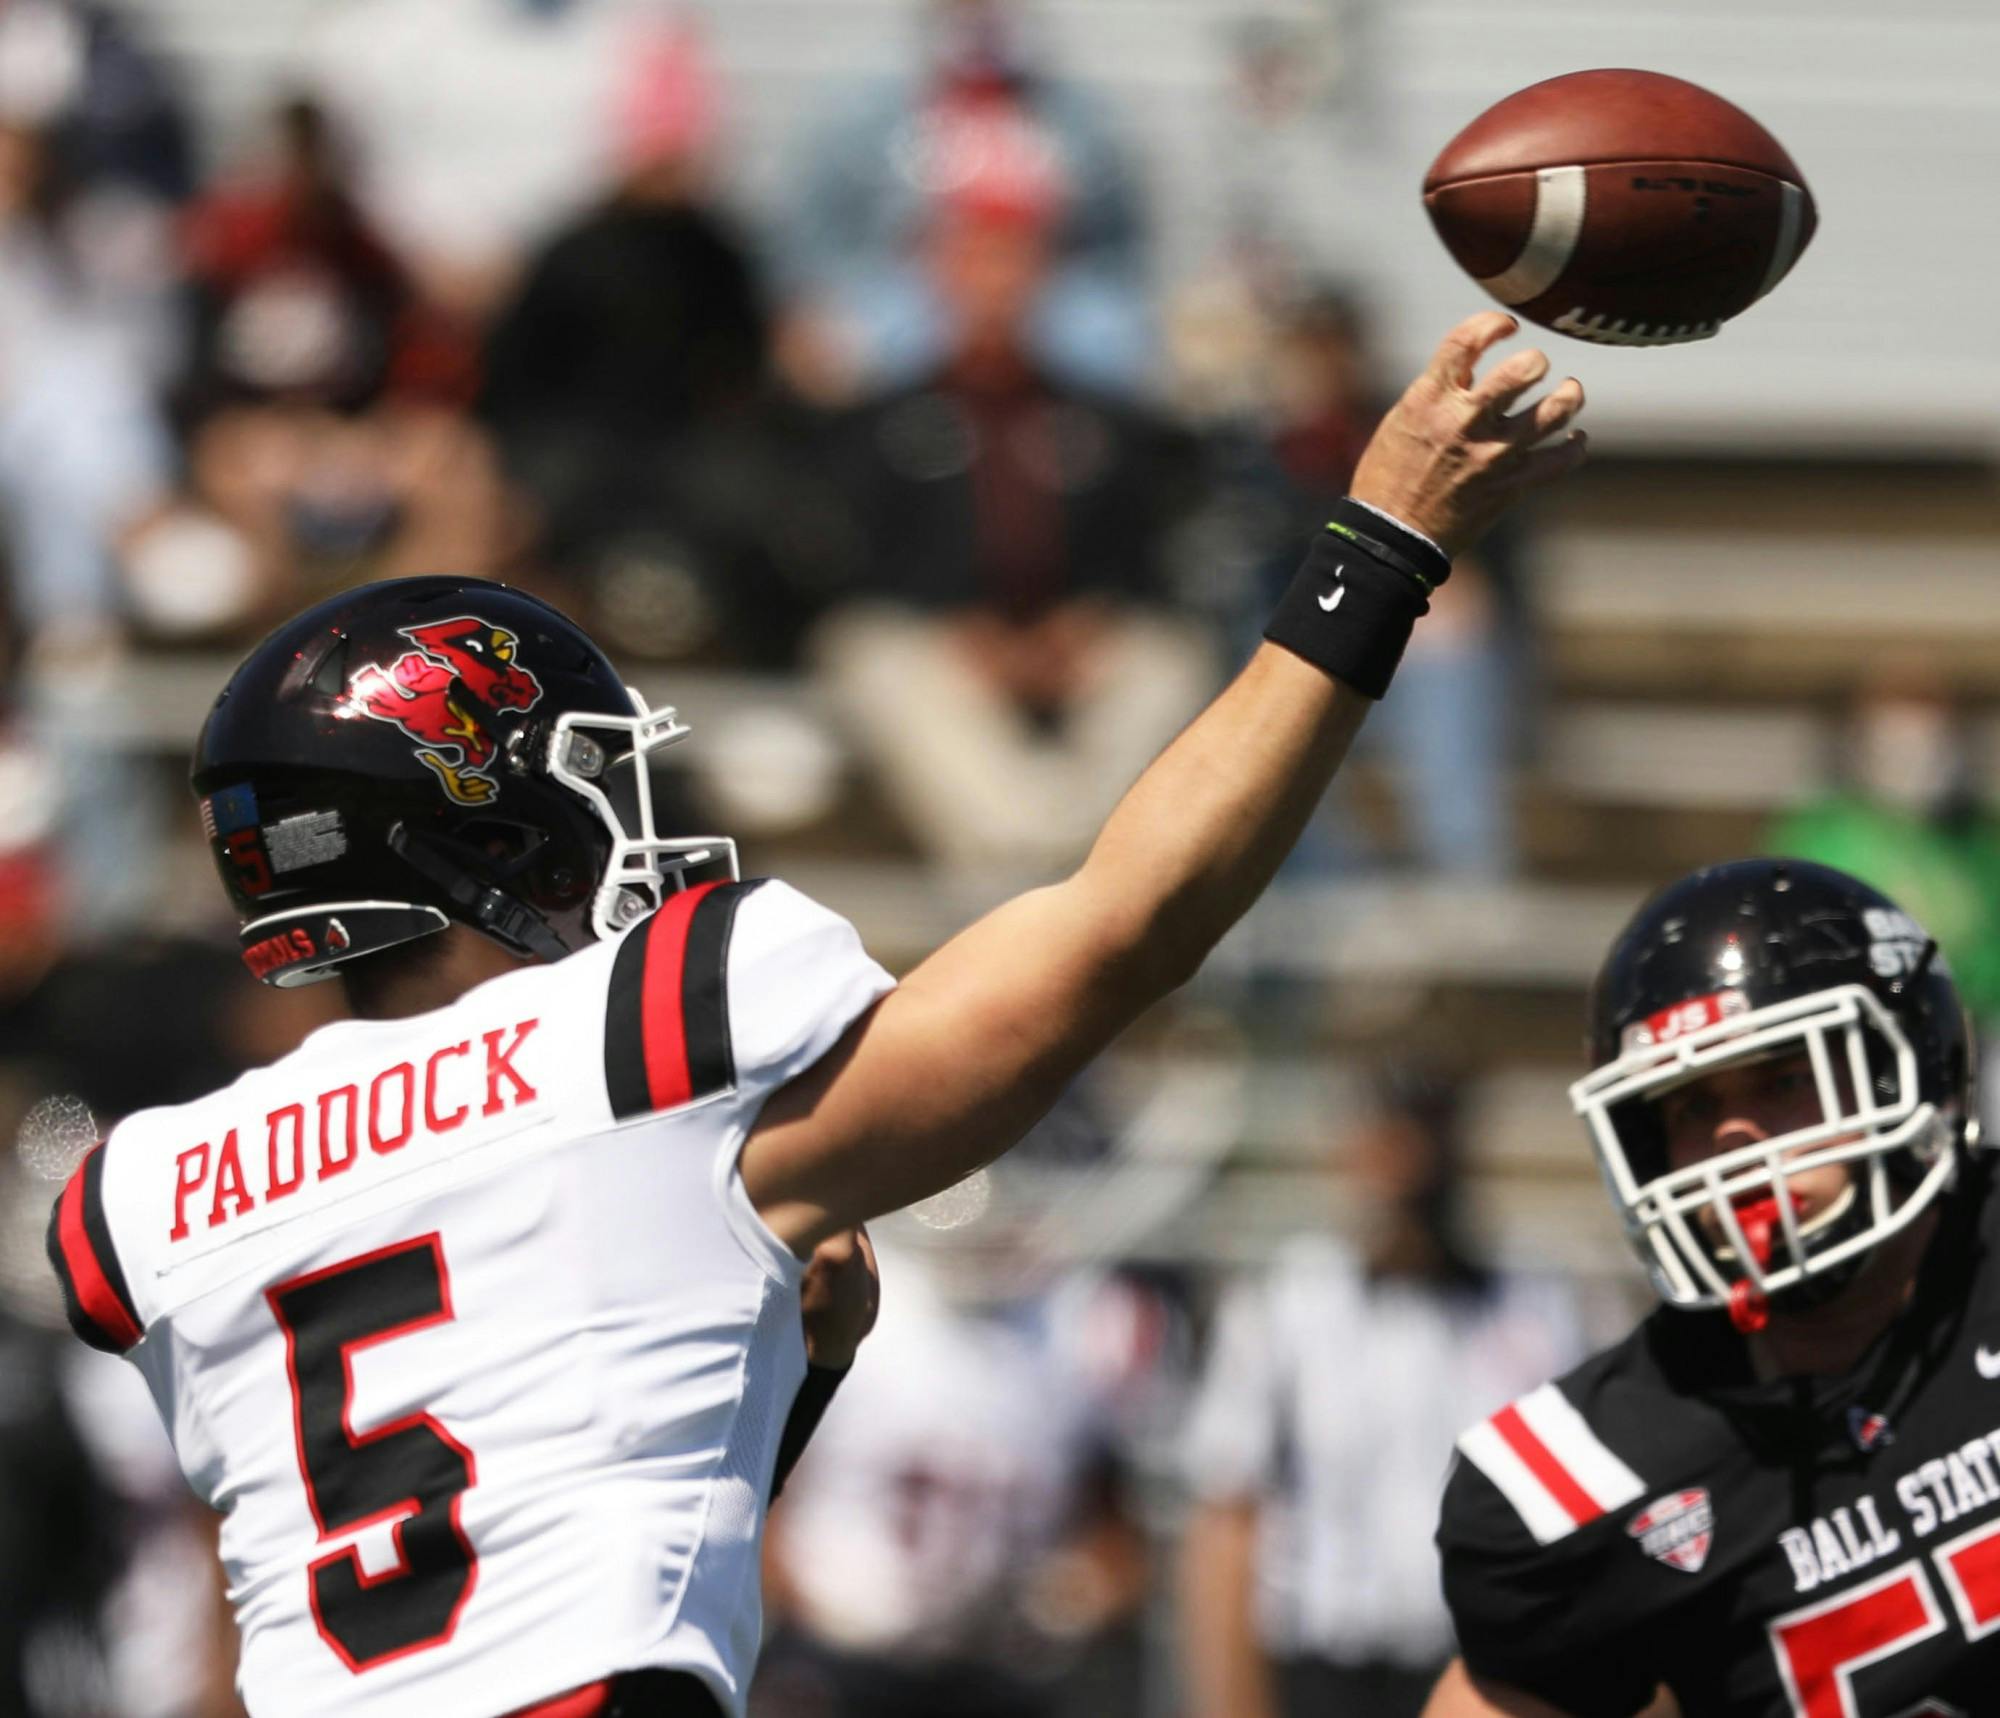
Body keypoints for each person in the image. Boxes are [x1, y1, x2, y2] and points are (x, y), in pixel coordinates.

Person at [44, 311, 1584, 1718]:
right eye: (585, 788)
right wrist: (1382, 539)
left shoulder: (150, 1190)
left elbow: (504, 1483)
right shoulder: (639, 1041)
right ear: (488, 841)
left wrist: (798, 1369)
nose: (625, 833)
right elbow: (1128, 923)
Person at [1427, 856, 1997, 1717]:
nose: (1736, 1139)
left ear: (1904, 1069)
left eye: (1784, 1080)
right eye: (1692, 1107)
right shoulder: (1596, 1472)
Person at [1180, 1064, 1580, 1718]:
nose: (1407, 1170)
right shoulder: (1286, 1306)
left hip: (1482, 1672)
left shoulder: (1535, 1305)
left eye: (1424, 1138)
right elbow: (1228, 1523)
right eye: (1387, 1142)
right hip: (1325, 1672)